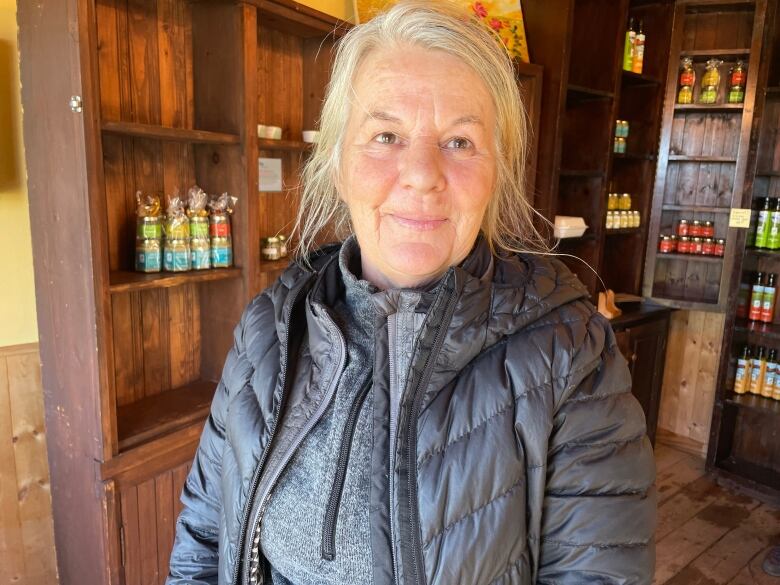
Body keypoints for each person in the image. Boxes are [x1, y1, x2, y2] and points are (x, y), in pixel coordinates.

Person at [165, 2, 656, 584]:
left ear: (497, 171)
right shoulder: (269, 328)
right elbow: (205, 533)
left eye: (459, 141)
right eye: (386, 134)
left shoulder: (571, 356)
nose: (422, 172)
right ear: (339, 162)